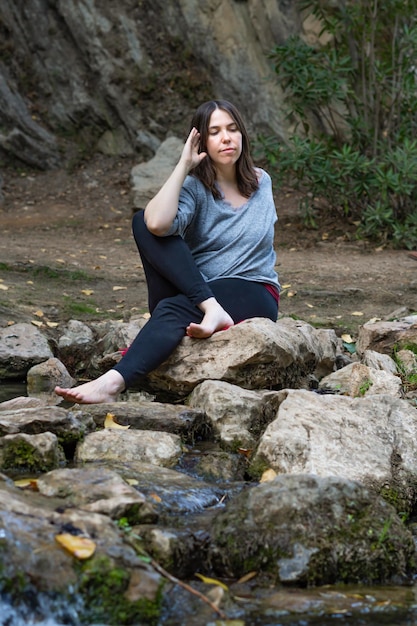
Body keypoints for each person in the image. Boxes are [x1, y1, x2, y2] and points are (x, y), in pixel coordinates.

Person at [55, 100, 281, 404]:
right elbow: (157, 224)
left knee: (172, 310)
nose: (226, 138)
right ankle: (212, 308)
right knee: (143, 222)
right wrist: (183, 166)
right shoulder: (194, 188)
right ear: (201, 142)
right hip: (200, 291)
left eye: (232, 129)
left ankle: (111, 385)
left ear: (242, 135)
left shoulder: (260, 181)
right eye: (215, 132)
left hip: (252, 289)